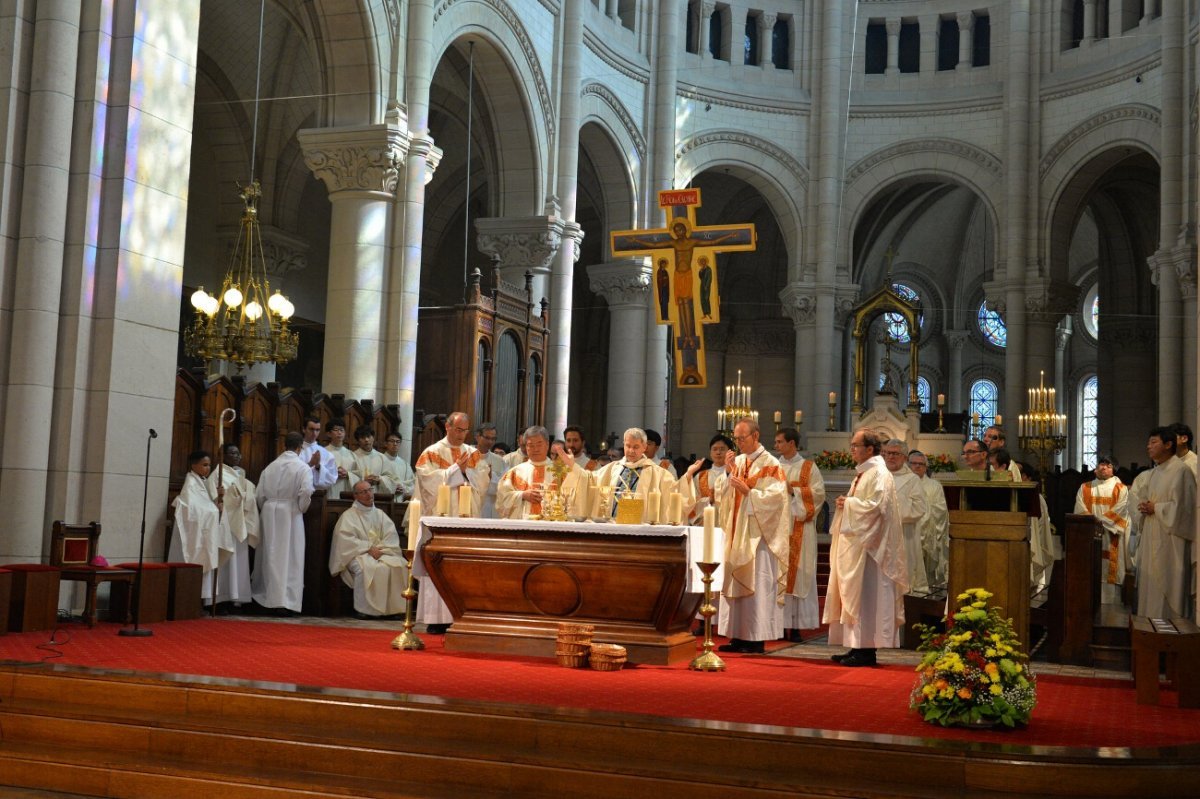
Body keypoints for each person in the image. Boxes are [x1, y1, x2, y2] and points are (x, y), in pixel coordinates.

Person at [824, 428, 908, 667]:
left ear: (870, 449)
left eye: (855, 445)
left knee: (868, 596)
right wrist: (847, 502)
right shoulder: (864, 473)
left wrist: (848, 503)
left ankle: (866, 650)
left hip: (872, 550)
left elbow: (875, 508)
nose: (851, 449)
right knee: (856, 594)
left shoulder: (879, 473)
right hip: (860, 545)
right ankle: (855, 646)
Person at [712, 418, 791, 654]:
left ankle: (755, 639)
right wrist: (727, 475)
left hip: (758, 535)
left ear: (755, 436)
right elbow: (721, 494)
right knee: (735, 582)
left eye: (741, 438)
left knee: (757, 584)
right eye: (735, 438)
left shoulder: (771, 463)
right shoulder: (737, 461)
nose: (737, 443)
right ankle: (738, 635)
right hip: (737, 532)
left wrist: (749, 492)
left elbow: (778, 499)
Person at [413, 411, 491, 633]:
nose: (461, 435)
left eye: (465, 430)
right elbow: (427, 482)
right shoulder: (431, 453)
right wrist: (457, 470)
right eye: (457, 429)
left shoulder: (472, 453)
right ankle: (436, 619)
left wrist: (465, 473)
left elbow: (482, 482)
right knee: (438, 566)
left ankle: (463, 616)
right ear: (447, 427)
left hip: (465, 519)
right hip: (441, 520)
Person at [1134, 426, 1196, 618]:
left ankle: (1169, 638)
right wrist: (1144, 508)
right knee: (1149, 590)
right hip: (1152, 536)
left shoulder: (1181, 471)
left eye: (1154, 442)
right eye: (1148, 443)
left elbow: (1186, 511)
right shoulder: (1154, 472)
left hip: (1171, 544)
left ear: (1169, 444)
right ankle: (1148, 636)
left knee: (1167, 592)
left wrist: (1157, 508)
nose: (1148, 447)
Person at [252, 431, 315, 616]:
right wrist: (301, 508)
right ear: (299, 447)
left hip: (269, 511)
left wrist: (268, 508)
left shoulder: (270, 467)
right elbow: (306, 492)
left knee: (269, 555)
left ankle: (266, 599)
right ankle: (286, 602)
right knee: (290, 557)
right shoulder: (303, 468)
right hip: (290, 513)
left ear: (284, 445)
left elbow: (259, 495)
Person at [774, 427, 825, 642]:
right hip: (776, 528)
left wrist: (793, 490)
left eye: (779, 442)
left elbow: (818, 494)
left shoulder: (808, 467)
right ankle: (776, 625)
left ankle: (795, 627)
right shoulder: (772, 466)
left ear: (792, 443)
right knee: (777, 576)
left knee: (799, 576)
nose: (776, 446)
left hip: (799, 529)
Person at [329, 480, 408, 618]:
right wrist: (368, 548)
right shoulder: (349, 516)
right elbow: (345, 540)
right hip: (358, 554)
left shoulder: (380, 515)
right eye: (363, 492)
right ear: (355, 496)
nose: (369, 494)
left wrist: (380, 550)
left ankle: (393, 610)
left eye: (370, 490)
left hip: (382, 553)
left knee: (399, 565)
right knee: (366, 568)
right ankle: (365, 610)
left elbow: (391, 537)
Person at [170, 450, 237, 605]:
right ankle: (189, 600)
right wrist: (215, 509)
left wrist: (218, 500)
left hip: (203, 532)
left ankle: (199, 601)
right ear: (194, 465)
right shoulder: (191, 483)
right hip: (191, 534)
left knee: (204, 564)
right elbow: (193, 508)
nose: (208, 468)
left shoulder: (203, 481)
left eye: (209, 465)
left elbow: (207, 505)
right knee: (193, 564)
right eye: (204, 465)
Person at [591, 427, 685, 522]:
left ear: (644, 447)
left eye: (636, 447)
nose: (631, 450)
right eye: (628, 446)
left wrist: (688, 477)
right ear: (623, 445)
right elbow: (589, 479)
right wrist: (575, 468)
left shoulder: (657, 473)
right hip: (611, 525)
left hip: (640, 527)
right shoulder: (612, 468)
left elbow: (675, 490)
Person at [206, 443, 260, 608]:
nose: (237, 456)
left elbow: (250, 494)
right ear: (223, 455)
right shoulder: (217, 475)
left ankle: (235, 597)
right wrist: (224, 497)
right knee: (225, 560)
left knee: (238, 561)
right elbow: (213, 498)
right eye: (232, 453)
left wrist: (245, 495)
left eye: (238, 453)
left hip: (239, 523)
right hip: (225, 523)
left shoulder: (239, 474)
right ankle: (220, 598)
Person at [1073, 454, 1130, 605]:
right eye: (1101, 464)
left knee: (1110, 578)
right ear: (1096, 467)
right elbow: (1080, 508)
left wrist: (1099, 522)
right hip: (1089, 536)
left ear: (1114, 470)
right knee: (1090, 578)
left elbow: (1121, 509)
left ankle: (1111, 612)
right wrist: (1093, 523)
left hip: (1112, 536)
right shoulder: (1085, 487)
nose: (1103, 467)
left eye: (1108, 465)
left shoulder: (1121, 489)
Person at [496, 426, 586, 519]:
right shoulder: (515, 472)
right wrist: (522, 495)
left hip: (552, 526)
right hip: (522, 527)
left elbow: (574, 498)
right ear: (526, 446)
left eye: (539, 445)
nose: (535, 449)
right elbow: (501, 500)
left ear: (547, 445)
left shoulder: (562, 472)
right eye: (531, 445)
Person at [882, 439, 928, 594]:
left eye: (895, 453)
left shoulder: (912, 479)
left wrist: (891, 509)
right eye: (887, 453)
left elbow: (920, 508)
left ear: (904, 457)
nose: (890, 457)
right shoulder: (878, 476)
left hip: (903, 536)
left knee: (901, 580)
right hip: (879, 536)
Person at [907, 450, 949, 589]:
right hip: (908, 532)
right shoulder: (903, 484)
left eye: (921, 464)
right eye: (914, 463)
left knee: (925, 573)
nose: (917, 467)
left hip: (928, 534)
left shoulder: (934, 485)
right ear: (908, 465)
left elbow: (940, 510)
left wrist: (924, 518)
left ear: (926, 467)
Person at [683, 434, 732, 525]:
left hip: (728, 523)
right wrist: (709, 500)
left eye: (722, 449)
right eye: (715, 449)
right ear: (710, 452)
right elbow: (692, 502)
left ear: (730, 452)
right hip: (705, 523)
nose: (718, 452)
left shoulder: (736, 474)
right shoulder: (701, 476)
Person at [351, 425, 396, 498]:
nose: (366, 440)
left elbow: (391, 478)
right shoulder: (353, 457)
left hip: (378, 497)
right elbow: (349, 479)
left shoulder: (382, 458)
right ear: (358, 440)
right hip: (360, 498)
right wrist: (364, 481)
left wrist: (379, 480)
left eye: (368, 436)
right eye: (363, 437)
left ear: (373, 438)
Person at [475, 422, 507, 518]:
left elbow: (504, 486)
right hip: (472, 502)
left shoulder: (499, 461)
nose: (490, 442)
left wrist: (491, 478)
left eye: (493, 439)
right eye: (487, 438)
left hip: (491, 506)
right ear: (477, 437)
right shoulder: (468, 455)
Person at [300, 414, 337, 493]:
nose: (314, 433)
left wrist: (318, 467)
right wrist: (310, 464)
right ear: (303, 429)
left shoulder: (326, 453)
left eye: (317, 430)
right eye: (311, 429)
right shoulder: (296, 450)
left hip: (318, 496)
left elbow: (332, 479)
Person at [325, 418, 358, 498]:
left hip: (347, 495)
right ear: (329, 433)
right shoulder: (323, 453)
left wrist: (348, 474)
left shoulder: (351, 455)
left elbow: (359, 476)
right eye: (336, 430)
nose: (339, 433)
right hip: (329, 494)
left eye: (341, 430)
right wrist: (333, 473)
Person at [380, 431, 416, 499]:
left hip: (400, 502)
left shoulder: (405, 465)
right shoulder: (380, 460)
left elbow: (412, 485)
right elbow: (376, 480)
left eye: (398, 441)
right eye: (392, 441)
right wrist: (392, 487)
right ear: (386, 444)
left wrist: (403, 488)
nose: (395, 444)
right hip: (383, 500)